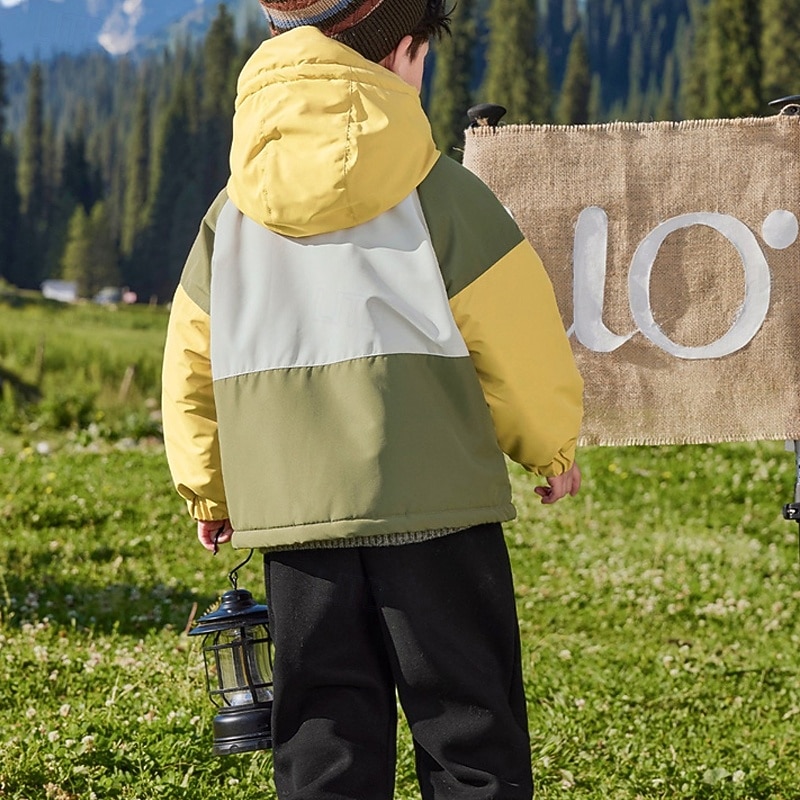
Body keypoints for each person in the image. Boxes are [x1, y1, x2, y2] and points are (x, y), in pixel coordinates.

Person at [161, 1, 584, 797]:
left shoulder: (229, 216)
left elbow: (190, 365)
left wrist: (210, 490)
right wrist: (550, 444)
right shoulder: (443, 193)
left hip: (295, 524)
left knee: (323, 737)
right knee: (470, 728)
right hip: (439, 515)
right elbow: (519, 336)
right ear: (406, 56)